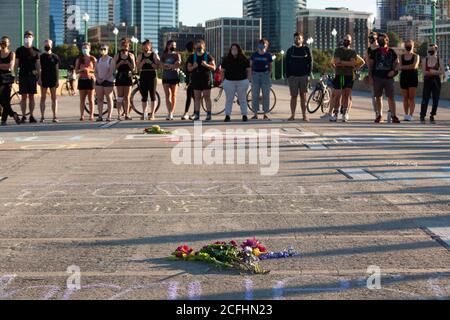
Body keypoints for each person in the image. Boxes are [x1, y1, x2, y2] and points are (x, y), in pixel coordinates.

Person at [368, 33, 400, 123]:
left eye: (383, 39)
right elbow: (370, 65)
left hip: (388, 78)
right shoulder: (374, 52)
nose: (381, 40)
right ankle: (379, 115)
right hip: (377, 77)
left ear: (387, 40)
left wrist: (394, 71)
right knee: (378, 96)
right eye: (379, 39)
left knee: (391, 97)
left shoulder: (392, 52)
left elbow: (397, 63)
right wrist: (370, 77)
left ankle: (394, 115)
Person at [285, 32, 313, 122]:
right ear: (294, 39)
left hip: (304, 76)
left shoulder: (306, 49)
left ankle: (304, 116)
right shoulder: (290, 50)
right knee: (293, 96)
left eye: (299, 38)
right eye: (296, 38)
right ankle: (292, 115)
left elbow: (310, 62)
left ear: (302, 39)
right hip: (293, 77)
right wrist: (288, 76)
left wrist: (308, 74)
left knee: (303, 96)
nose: (298, 40)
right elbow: (286, 64)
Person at [329, 34, 357, 122]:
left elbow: (352, 64)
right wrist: (347, 63)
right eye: (345, 40)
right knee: (337, 95)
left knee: (346, 95)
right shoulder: (338, 50)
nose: (346, 42)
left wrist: (341, 63)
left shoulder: (353, 52)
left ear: (351, 42)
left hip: (349, 75)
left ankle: (345, 113)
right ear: (342, 40)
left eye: (348, 40)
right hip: (339, 75)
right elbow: (336, 62)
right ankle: (335, 114)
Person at [221, 43, 251, 122]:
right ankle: (227, 115)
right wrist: (223, 81)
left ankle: (244, 115)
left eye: (235, 49)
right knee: (229, 99)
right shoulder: (226, 59)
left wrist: (248, 80)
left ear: (239, 50)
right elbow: (223, 71)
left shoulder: (244, 59)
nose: (233, 50)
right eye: (232, 49)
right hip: (229, 82)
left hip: (242, 81)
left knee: (242, 99)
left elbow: (248, 70)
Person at [15, 30, 40, 123]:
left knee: (32, 97)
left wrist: (39, 76)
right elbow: (16, 64)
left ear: (33, 38)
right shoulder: (19, 50)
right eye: (26, 36)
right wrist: (16, 76)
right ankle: (24, 116)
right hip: (22, 76)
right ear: (24, 38)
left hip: (32, 77)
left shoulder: (36, 51)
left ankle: (32, 116)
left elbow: (38, 65)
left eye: (30, 36)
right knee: (23, 97)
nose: (28, 38)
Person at [187, 39, 216, 121]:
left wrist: (206, 65)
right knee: (197, 98)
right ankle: (197, 115)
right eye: (197, 46)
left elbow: (214, 67)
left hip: (206, 79)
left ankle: (209, 114)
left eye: (200, 46)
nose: (199, 47)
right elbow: (188, 68)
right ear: (195, 47)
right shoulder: (192, 57)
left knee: (207, 97)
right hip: (196, 79)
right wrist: (194, 67)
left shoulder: (208, 56)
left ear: (204, 46)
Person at [420, 44, 445, 124]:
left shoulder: (439, 60)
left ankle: (432, 114)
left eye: (432, 49)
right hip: (427, 80)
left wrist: (434, 72)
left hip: (436, 81)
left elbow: (442, 71)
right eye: (429, 49)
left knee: (436, 98)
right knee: (425, 98)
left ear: (436, 50)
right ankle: (422, 115)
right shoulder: (425, 60)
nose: (430, 51)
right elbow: (424, 72)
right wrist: (431, 73)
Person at [250, 38, 273, 120]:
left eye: (264, 44)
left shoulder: (268, 55)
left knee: (266, 95)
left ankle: (265, 114)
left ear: (266, 46)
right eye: (260, 44)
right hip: (255, 75)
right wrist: (250, 76)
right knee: (255, 95)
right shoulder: (254, 55)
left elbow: (270, 66)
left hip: (265, 75)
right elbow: (251, 65)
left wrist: (269, 75)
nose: (262, 45)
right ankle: (255, 114)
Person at [137, 39, 159, 120]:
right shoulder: (140, 55)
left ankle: (152, 114)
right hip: (143, 75)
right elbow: (138, 68)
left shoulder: (154, 55)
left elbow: (157, 66)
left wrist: (150, 62)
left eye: (147, 45)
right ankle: (144, 113)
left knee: (152, 95)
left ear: (150, 46)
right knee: (144, 96)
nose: (145, 47)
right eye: (144, 45)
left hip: (152, 75)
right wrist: (142, 62)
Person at [39, 39, 61, 123]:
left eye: (48, 44)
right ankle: (42, 117)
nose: (47, 46)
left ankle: (55, 116)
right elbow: (39, 68)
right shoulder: (41, 56)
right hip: (44, 78)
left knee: (54, 98)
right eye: (46, 44)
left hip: (53, 79)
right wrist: (39, 79)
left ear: (51, 45)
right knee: (43, 98)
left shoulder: (55, 57)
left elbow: (57, 69)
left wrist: (57, 81)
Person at [0, 36, 20, 125]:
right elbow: (7, 66)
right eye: (2, 41)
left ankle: (4, 120)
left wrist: (2, 65)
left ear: (9, 43)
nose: (4, 43)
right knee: (2, 100)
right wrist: (5, 65)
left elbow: (10, 67)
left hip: (7, 79)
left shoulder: (12, 53)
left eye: (5, 42)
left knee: (6, 100)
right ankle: (13, 114)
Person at [114, 38, 136, 120]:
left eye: (126, 46)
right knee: (120, 96)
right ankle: (119, 114)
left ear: (128, 47)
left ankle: (127, 114)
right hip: (120, 76)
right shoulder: (117, 55)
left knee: (127, 97)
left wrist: (128, 62)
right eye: (123, 46)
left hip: (128, 76)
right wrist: (120, 63)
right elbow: (114, 67)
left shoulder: (131, 55)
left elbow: (133, 68)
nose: (124, 48)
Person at [398, 40, 419, 122]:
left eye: (410, 45)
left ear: (413, 46)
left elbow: (414, 66)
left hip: (413, 78)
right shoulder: (401, 56)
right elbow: (400, 66)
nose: (408, 46)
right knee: (405, 97)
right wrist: (408, 66)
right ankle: (406, 114)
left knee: (411, 97)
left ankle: (411, 115)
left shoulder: (416, 56)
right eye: (407, 45)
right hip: (404, 77)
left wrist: (404, 67)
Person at [364, 32, 384, 119]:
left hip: (381, 74)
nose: (371, 39)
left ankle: (380, 113)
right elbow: (368, 64)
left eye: (372, 37)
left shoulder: (380, 48)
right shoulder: (368, 50)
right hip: (373, 73)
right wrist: (369, 75)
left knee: (380, 96)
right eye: (369, 37)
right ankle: (376, 113)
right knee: (374, 96)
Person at [75, 42, 96, 121]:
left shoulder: (93, 58)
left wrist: (89, 70)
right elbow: (76, 71)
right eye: (83, 48)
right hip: (82, 80)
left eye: (86, 48)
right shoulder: (79, 59)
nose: (85, 49)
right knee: (82, 99)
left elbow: (96, 70)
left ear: (90, 49)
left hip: (90, 80)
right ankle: (82, 115)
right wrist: (81, 70)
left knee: (91, 99)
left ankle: (91, 115)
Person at [161, 40, 181, 120]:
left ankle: (172, 112)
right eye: (172, 45)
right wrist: (171, 66)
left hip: (174, 77)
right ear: (168, 46)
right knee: (167, 95)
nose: (174, 46)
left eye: (175, 45)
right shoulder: (164, 55)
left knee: (173, 95)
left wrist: (168, 65)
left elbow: (177, 64)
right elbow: (161, 65)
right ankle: (169, 113)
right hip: (166, 77)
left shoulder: (177, 55)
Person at [94, 44, 115, 122]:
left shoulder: (110, 59)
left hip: (108, 81)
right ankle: (100, 116)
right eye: (101, 49)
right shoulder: (98, 60)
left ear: (107, 50)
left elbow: (111, 71)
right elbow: (95, 71)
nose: (103, 50)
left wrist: (104, 79)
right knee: (99, 99)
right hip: (99, 81)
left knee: (109, 98)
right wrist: (98, 78)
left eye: (104, 49)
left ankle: (109, 116)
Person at [181, 41, 195, 120]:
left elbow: (189, 70)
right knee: (192, 97)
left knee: (191, 97)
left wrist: (188, 82)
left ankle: (189, 113)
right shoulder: (194, 56)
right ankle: (190, 113)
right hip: (191, 79)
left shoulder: (191, 57)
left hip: (191, 80)